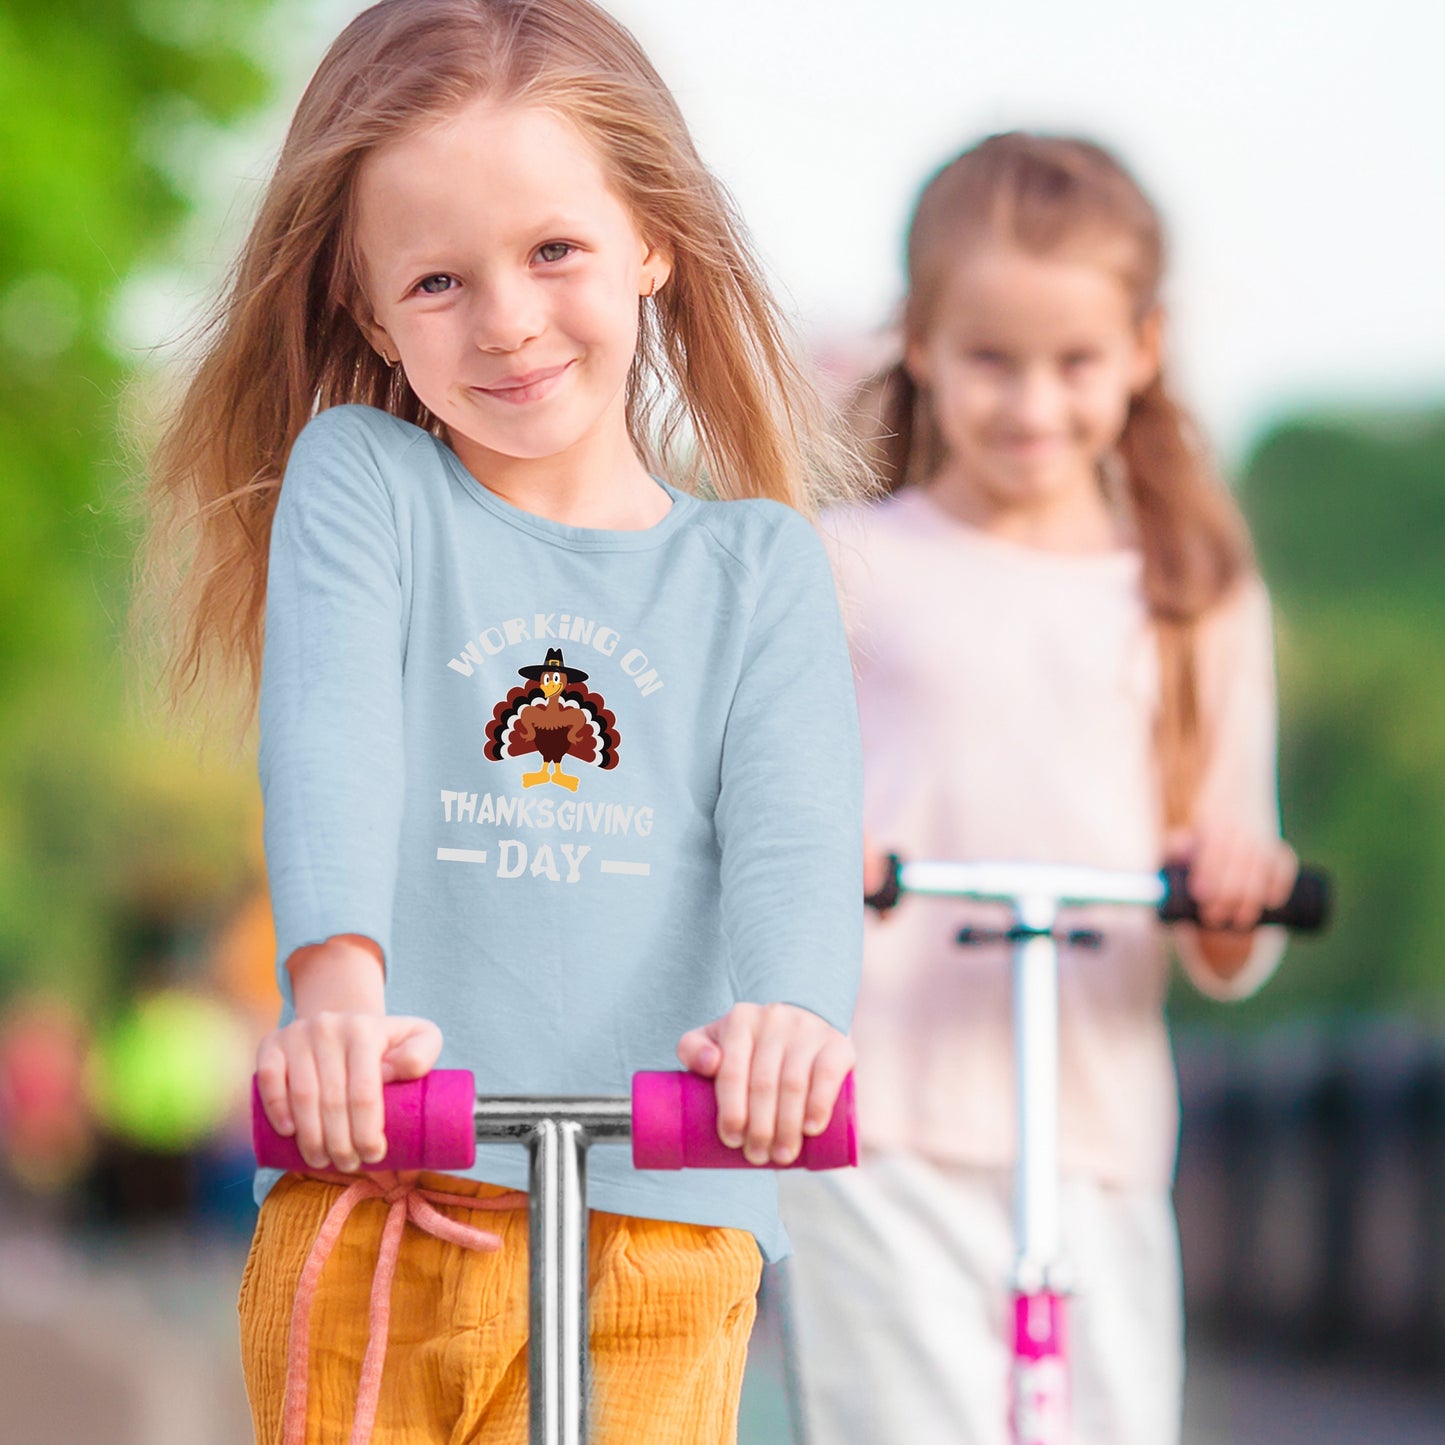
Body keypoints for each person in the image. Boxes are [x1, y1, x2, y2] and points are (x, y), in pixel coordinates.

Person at [143, 3, 867, 1441]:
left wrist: (793, 1018)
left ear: (650, 237)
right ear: (365, 310)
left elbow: (793, 823)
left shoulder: (756, 565)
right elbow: (332, 727)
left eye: (553, 250)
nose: (508, 320)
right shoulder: (367, 485)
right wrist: (338, 1005)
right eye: (436, 281)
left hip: (661, 1228)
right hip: (396, 1196)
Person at [777, 132, 1300, 1445]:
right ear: (919, 345)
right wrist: (804, 850)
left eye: (1072, 363)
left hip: (1097, 1127)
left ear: (1141, 347)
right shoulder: (839, 566)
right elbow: (759, 808)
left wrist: (1235, 883)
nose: (1031, 404)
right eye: (989, 360)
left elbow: (1224, 915)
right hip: (881, 1114)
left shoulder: (1190, 599)